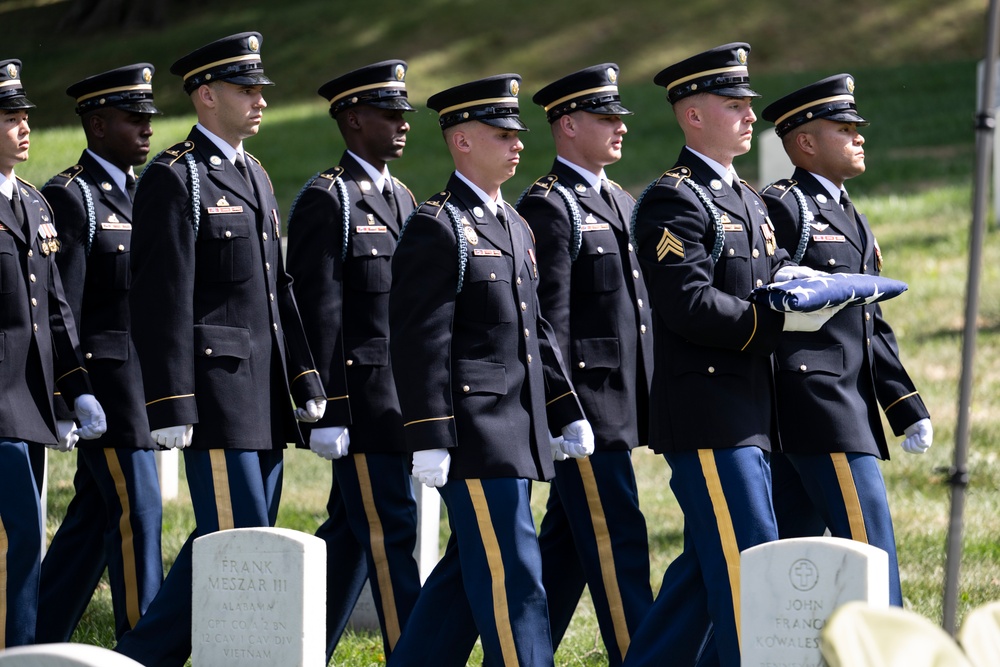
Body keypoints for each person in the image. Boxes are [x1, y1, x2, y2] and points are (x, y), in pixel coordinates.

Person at [113, 32, 326, 667]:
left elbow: (274, 287)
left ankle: (139, 656)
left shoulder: (253, 174)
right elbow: (162, 297)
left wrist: (305, 377)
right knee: (242, 544)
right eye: (245, 89)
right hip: (213, 396)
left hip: (261, 395)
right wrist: (172, 401)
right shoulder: (175, 178)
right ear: (207, 95)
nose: (260, 101)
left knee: (232, 545)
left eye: (261, 90)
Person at [623, 43, 837, 667]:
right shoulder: (674, 198)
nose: (750, 115)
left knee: (702, 570)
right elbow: (685, 300)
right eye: (733, 104)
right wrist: (773, 321)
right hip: (710, 412)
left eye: (748, 104)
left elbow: (762, 280)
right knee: (750, 563)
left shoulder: (745, 196)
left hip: (751, 410)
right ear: (692, 116)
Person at [387, 74, 592, 667]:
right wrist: (429, 436)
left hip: (515, 430)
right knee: (515, 575)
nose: (517, 143)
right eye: (500, 133)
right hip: (474, 434)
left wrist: (563, 408)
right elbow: (420, 341)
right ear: (461, 141)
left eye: (517, 133)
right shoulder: (438, 225)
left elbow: (536, 332)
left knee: (465, 575)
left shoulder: (514, 224)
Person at [760, 73, 933, 607]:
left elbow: (869, 320)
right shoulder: (785, 205)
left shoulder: (848, 214)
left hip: (840, 404)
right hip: (816, 404)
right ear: (805, 143)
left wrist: (904, 405)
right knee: (869, 551)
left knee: (777, 558)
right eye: (844, 128)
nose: (859, 137)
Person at [517, 63, 653, 666]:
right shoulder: (550, 206)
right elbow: (548, 322)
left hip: (620, 403)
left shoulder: (621, 200)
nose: (620, 128)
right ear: (568, 125)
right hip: (585, 408)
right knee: (616, 535)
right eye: (605, 118)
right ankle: (643, 655)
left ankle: (524, 649)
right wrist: (561, 407)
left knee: (570, 543)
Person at [285, 59, 421, 661]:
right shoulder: (328, 198)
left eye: (404, 114)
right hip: (358, 403)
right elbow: (321, 311)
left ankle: (297, 644)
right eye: (388, 114)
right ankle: (415, 651)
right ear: (352, 118)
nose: (402, 124)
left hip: (395, 398)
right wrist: (330, 409)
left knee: (349, 533)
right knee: (390, 529)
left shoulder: (402, 196)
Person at [36, 63, 164, 644]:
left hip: (144, 385)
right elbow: (62, 305)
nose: (145, 127)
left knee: (93, 518)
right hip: (106, 388)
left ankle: (32, 638)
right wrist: (71, 390)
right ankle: (144, 648)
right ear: (95, 124)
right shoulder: (71, 195)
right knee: (138, 514)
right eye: (131, 118)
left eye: (148, 117)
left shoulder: (146, 193)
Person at [0, 58, 108, 648]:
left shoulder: (35, 205)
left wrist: (77, 389)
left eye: (25, 117)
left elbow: (56, 309)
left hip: (32, 403)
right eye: (10, 117)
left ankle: (20, 649)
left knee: (26, 538)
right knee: (16, 533)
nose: (24, 128)